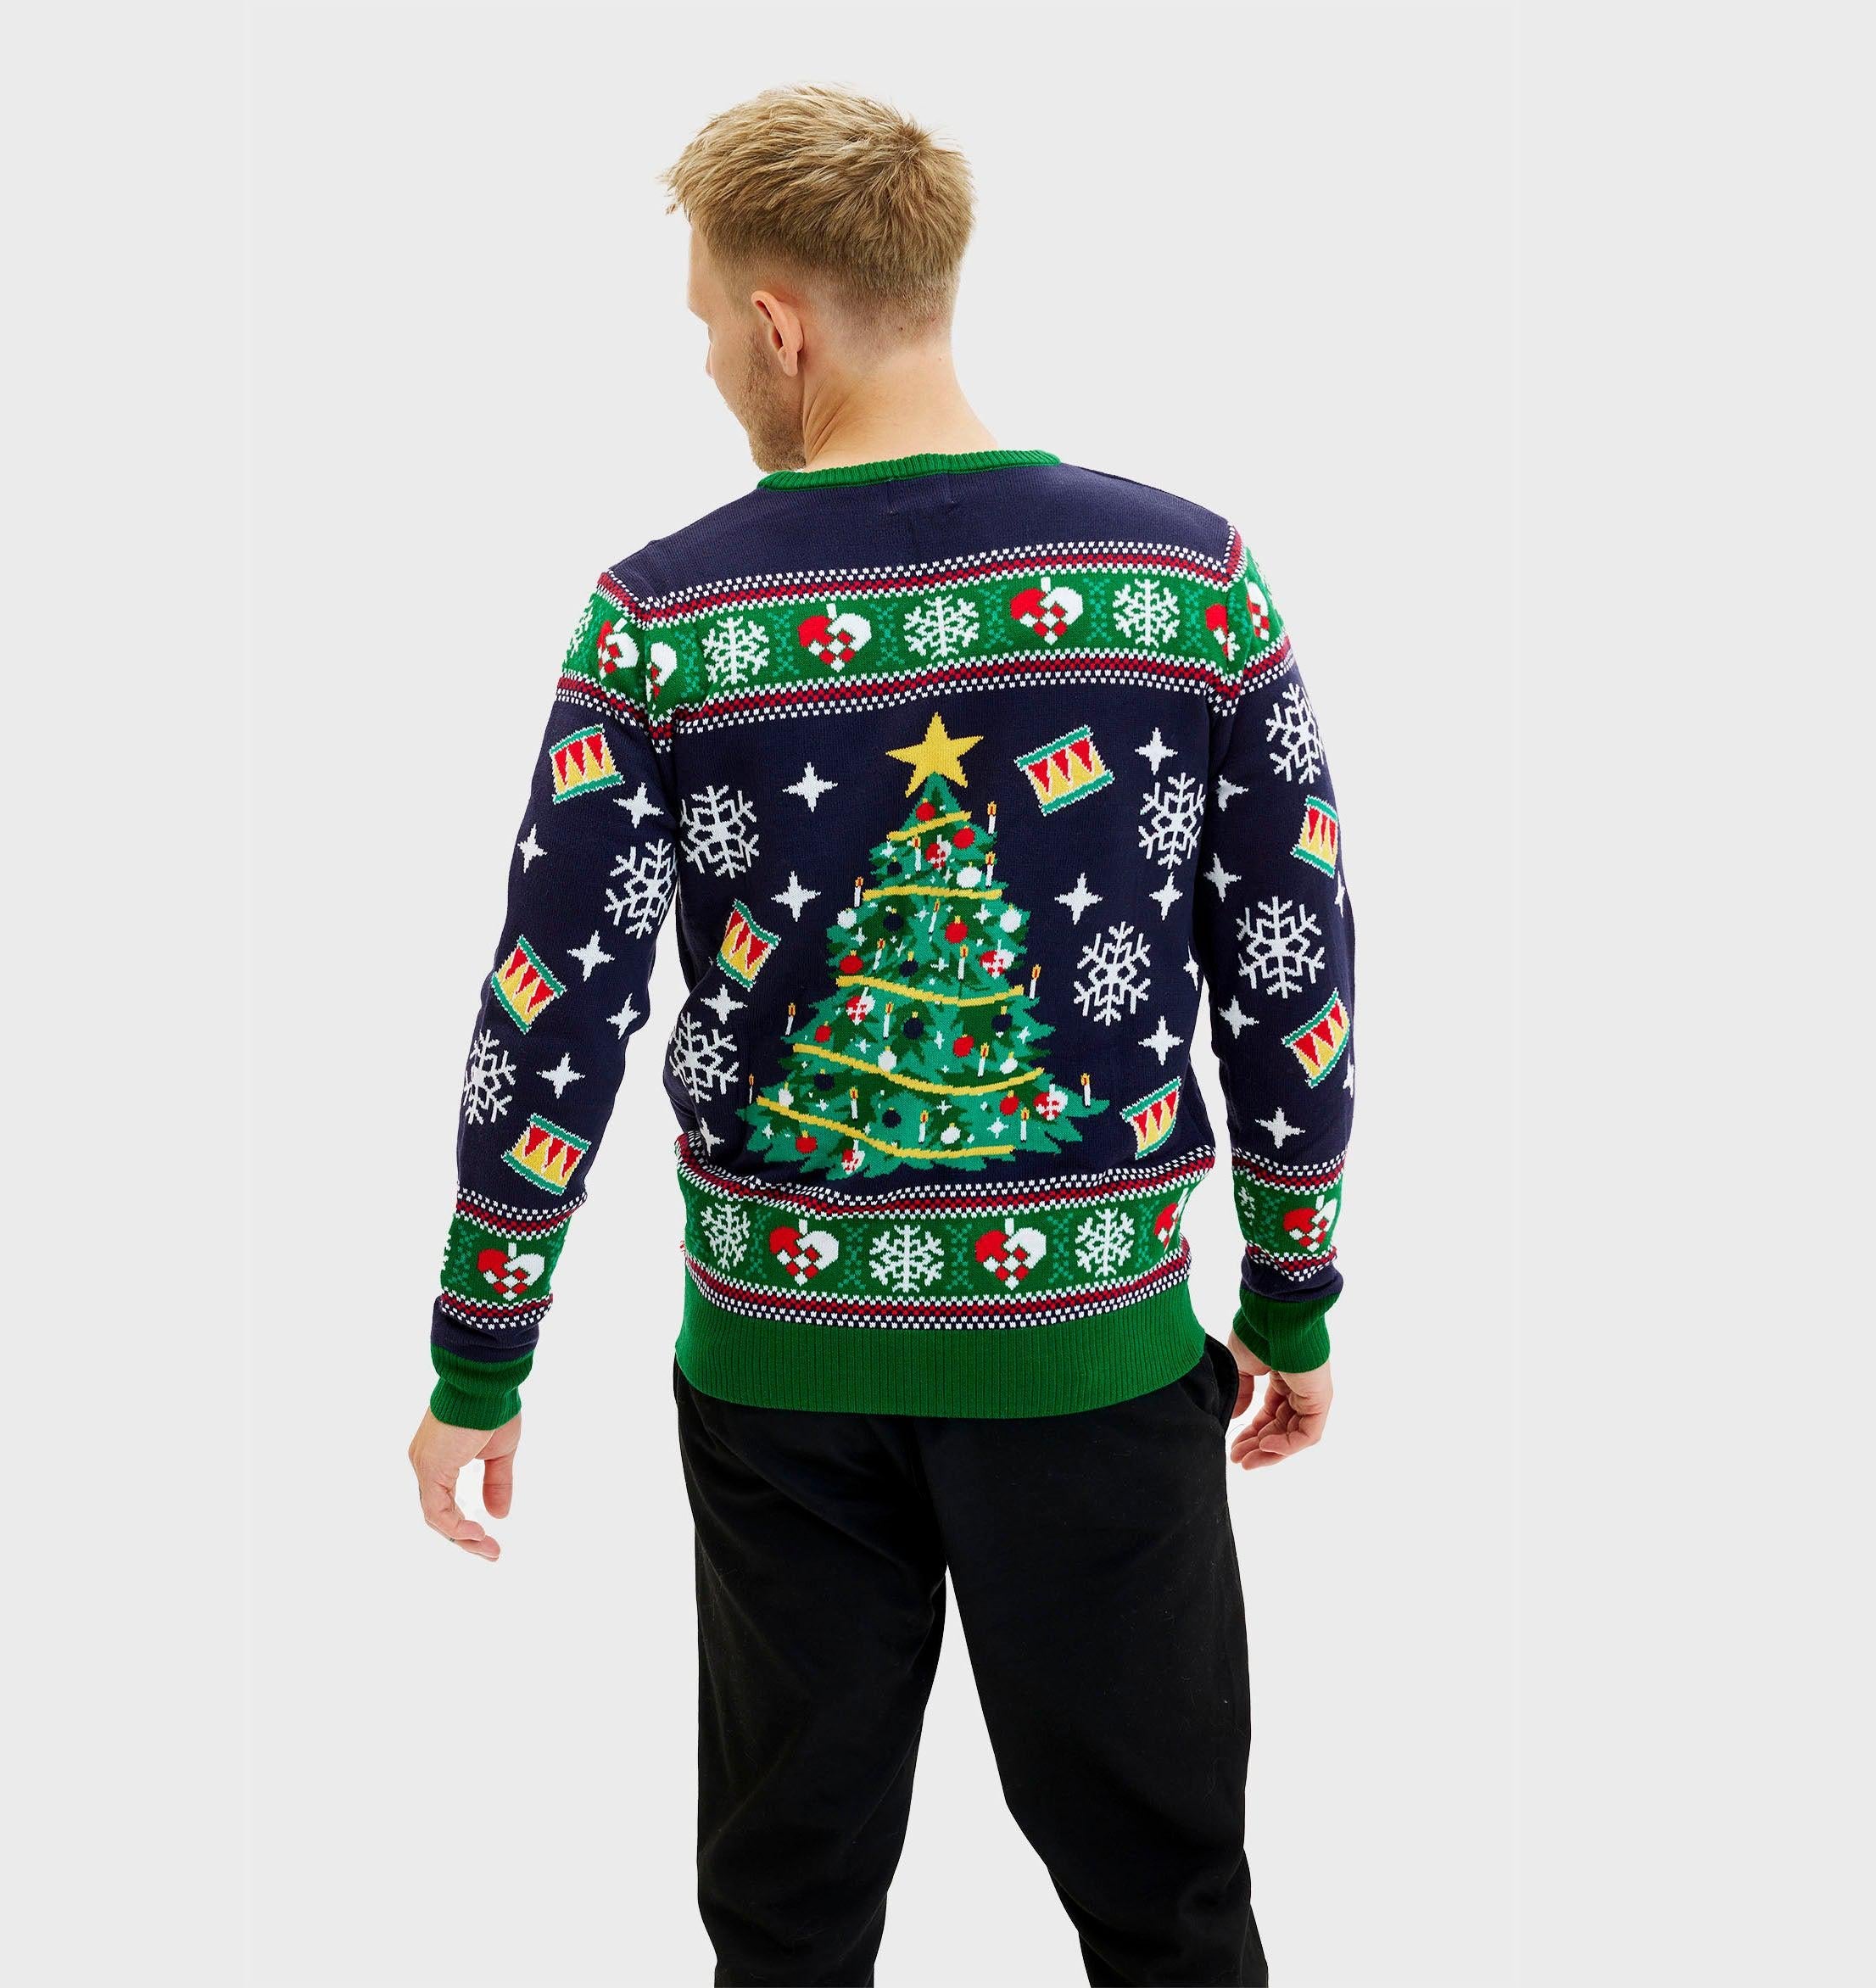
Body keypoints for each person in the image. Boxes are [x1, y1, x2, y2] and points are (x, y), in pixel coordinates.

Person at [407, 84, 1354, 1988]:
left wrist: (479, 1350)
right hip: (1092, 1356)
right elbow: (1290, 957)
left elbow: (555, 993)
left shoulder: (662, 620)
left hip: (784, 1374)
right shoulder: (1181, 583)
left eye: (704, 321)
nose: (707, 361)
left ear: (780, 322)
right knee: (1169, 1903)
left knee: (787, 1917)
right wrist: (1294, 1285)